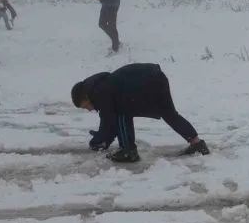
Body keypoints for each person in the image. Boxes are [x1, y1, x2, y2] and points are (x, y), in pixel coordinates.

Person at [71, 63, 210, 163]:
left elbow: (109, 119)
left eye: (85, 106)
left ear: (85, 97)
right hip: (156, 77)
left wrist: (99, 141)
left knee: (122, 114)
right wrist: (104, 139)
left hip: (146, 82)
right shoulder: (100, 85)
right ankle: (197, 143)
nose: (89, 109)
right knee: (169, 113)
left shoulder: (99, 91)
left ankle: (128, 151)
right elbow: (109, 120)